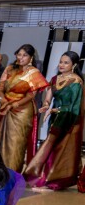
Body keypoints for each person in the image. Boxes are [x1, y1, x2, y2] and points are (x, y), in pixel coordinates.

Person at [25, 52, 84, 191]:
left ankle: (52, 179)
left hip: (68, 119)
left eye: (66, 62)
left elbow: (73, 106)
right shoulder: (54, 79)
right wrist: (46, 106)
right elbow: (48, 97)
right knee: (51, 147)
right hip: (55, 118)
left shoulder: (76, 82)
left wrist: (54, 110)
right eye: (61, 62)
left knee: (58, 148)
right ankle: (45, 176)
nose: (61, 65)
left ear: (74, 65)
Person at [0, 45, 49, 172]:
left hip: (22, 111)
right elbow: (0, 88)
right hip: (5, 108)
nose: (21, 57)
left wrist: (15, 104)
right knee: (0, 140)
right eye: (19, 54)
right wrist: (3, 100)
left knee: (16, 144)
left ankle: (13, 173)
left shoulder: (33, 73)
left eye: (25, 55)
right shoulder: (10, 69)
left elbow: (31, 95)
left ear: (31, 58)